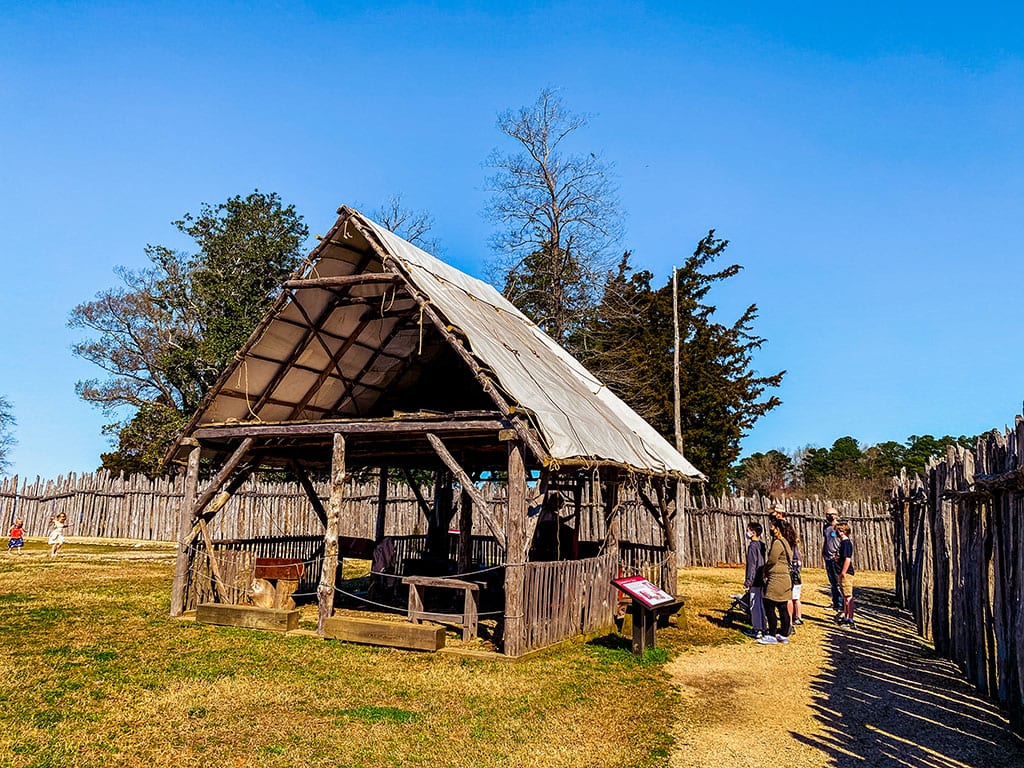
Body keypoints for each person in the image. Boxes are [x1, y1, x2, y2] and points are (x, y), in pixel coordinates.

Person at [758, 518, 794, 644]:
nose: (770, 529)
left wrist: (764, 570)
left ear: (778, 529)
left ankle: (772, 634)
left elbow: (772, 560)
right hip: (785, 578)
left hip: (776, 578)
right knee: (782, 605)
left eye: (772, 527)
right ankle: (784, 633)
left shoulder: (778, 543)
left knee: (769, 604)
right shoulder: (787, 542)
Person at [743, 521, 768, 640]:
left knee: (755, 604)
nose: (746, 532)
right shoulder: (762, 545)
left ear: (753, 533)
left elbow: (752, 565)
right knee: (761, 604)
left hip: (755, 579)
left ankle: (757, 629)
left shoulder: (752, 546)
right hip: (762, 577)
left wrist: (748, 580)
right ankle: (763, 627)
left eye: (748, 530)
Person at [821, 508, 843, 614]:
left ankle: (841, 603)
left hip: (836, 558)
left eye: (831, 514)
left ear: (836, 515)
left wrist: (838, 555)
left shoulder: (839, 527)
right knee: (832, 582)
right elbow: (826, 540)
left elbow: (842, 541)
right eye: (827, 514)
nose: (829, 516)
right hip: (828, 557)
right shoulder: (826, 527)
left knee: (838, 581)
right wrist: (823, 551)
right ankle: (835, 602)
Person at [782, 521, 803, 627]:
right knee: (796, 598)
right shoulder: (794, 544)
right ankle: (798, 616)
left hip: (791, 574)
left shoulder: (787, 544)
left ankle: (790, 618)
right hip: (796, 573)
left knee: (790, 598)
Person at [835, 522, 855, 627]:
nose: (839, 533)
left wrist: (843, 572)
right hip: (840, 571)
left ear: (846, 531)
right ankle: (846, 616)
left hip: (846, 572)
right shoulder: (842, 543)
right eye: (838, 531)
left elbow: (847, 559)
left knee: (848, 596)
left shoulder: (846, 543)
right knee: (844, 596)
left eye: (841, 531)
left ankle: (850, 619)